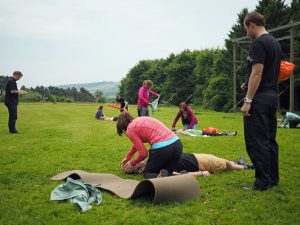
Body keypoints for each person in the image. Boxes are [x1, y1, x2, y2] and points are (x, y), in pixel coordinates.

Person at [241, 12, 281, 191]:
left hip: (259, 98)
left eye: (246, 28)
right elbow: (266, 72)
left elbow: (257, 73)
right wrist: (247, 82)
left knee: (257, 141)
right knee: (269, 139)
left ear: (251, 24)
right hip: (272, 96)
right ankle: (272, 178)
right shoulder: (274, 42)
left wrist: (248, 100)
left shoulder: (258, 43)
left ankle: (262, 182)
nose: (246, 32)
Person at [117, 112, 182, 178]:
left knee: (148, 174)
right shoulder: (138, 121)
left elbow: (143, 154)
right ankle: (181, 176)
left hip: (163, 148)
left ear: (122, 128)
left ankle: (162, 177)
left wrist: (132, 163)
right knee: (166, 172)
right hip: (177, 144)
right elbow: (136, 145)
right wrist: (127, 157)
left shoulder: (129, 129)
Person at [126, 153, 254, 177]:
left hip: (194, 156)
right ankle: (245, 166)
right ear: (140, 169)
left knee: (222, 161)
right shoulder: (154, 169)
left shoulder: (152, 161)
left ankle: (240, 164)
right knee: (225, 164)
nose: (136, 160)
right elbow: (175, 175)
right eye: (136, 163)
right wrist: (200, 174)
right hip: (199, 163)